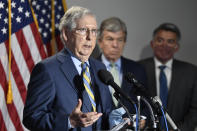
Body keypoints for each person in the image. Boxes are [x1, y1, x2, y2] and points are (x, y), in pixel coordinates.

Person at [23, 6, 113, 131]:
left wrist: (125, 120)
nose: (89, 37)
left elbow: (108, 111)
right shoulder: (47, 69)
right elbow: (32, 117)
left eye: (93, 31)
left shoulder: (99, 68)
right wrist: (69, 121)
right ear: (66, 34)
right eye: (83, 30)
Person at [139, 23, 197, 131]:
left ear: (177, 47)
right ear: (152, 44)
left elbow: (195, 110)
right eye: (160, 40)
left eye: (170, 41)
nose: (164, 45)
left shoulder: (191, 72)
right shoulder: (138, 68)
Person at [96, 17, 148, 129]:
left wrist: (143, 118)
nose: (115, 45)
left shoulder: (137, 69)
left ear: (124, 42)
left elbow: (146, 103)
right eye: (110, 39)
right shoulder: (90, 69)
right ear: (100, 42)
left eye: (120, 40)